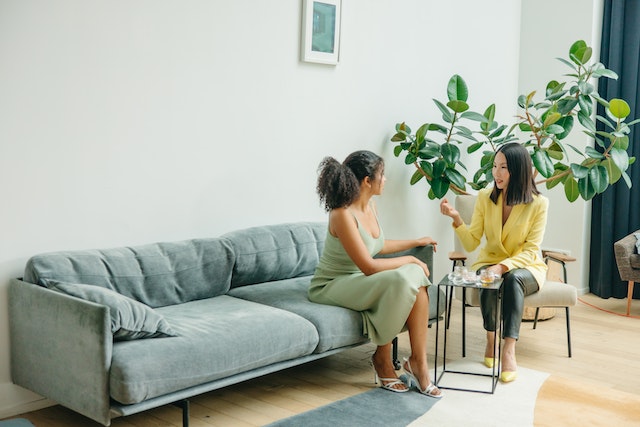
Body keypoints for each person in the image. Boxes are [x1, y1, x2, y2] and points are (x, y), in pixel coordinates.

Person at [309, 150, 442, 398]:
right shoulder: (341, 214)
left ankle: (418, 364)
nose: (386, 180)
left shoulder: (371, 207)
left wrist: (415, 241)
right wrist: (411, 259)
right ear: (367, 181)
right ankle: (383, 358)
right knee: (407, 276)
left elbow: (377, 245)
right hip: (332, 284)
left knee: (415, 283)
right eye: (382, 175)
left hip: (358, 280)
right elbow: (368, 266)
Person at [439, 142, 548, 383]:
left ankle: (508, 349)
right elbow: (471, 243)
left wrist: (503, 266)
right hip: (490, 262)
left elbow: (531, 249)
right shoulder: (484, 198)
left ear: (518, 170)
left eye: (504, 168)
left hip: (526, 267)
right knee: (489, 276)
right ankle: (491, 338)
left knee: (511, 278)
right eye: (495, 166)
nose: (496, 173)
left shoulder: (539, 204)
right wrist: (457, 219)